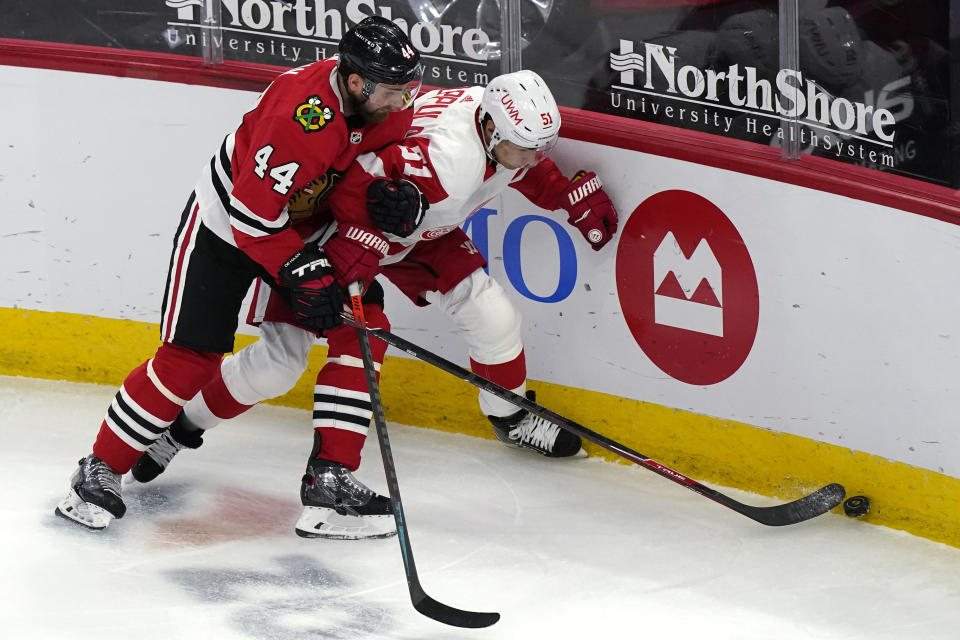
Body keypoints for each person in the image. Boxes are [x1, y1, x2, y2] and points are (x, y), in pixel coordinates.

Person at [128, 70, 620, 540]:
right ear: (491, 128)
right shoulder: (450, 159)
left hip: (421, 233)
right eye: (525, 149)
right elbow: (351, 181)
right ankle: (182, 425)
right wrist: (352, 253)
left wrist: (563, 195)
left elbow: (517, 168)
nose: (533, 159)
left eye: (540, 150)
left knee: (493, 315)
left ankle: (509, 417)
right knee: (279, 364)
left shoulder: (494, 123)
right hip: (341, 236)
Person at [54, 15, 425, 531]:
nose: (401, 102)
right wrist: (299, 269)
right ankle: (98, 469)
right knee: (191, 360)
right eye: (391, 91)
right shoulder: (301, 115)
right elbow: (251, 214)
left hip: (305, 225)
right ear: (356, 81)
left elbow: (375, 165)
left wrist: (392, 196)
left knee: (362, 325)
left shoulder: (388, 106)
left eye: (408, 90)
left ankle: (330, 479)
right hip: (227, 227)